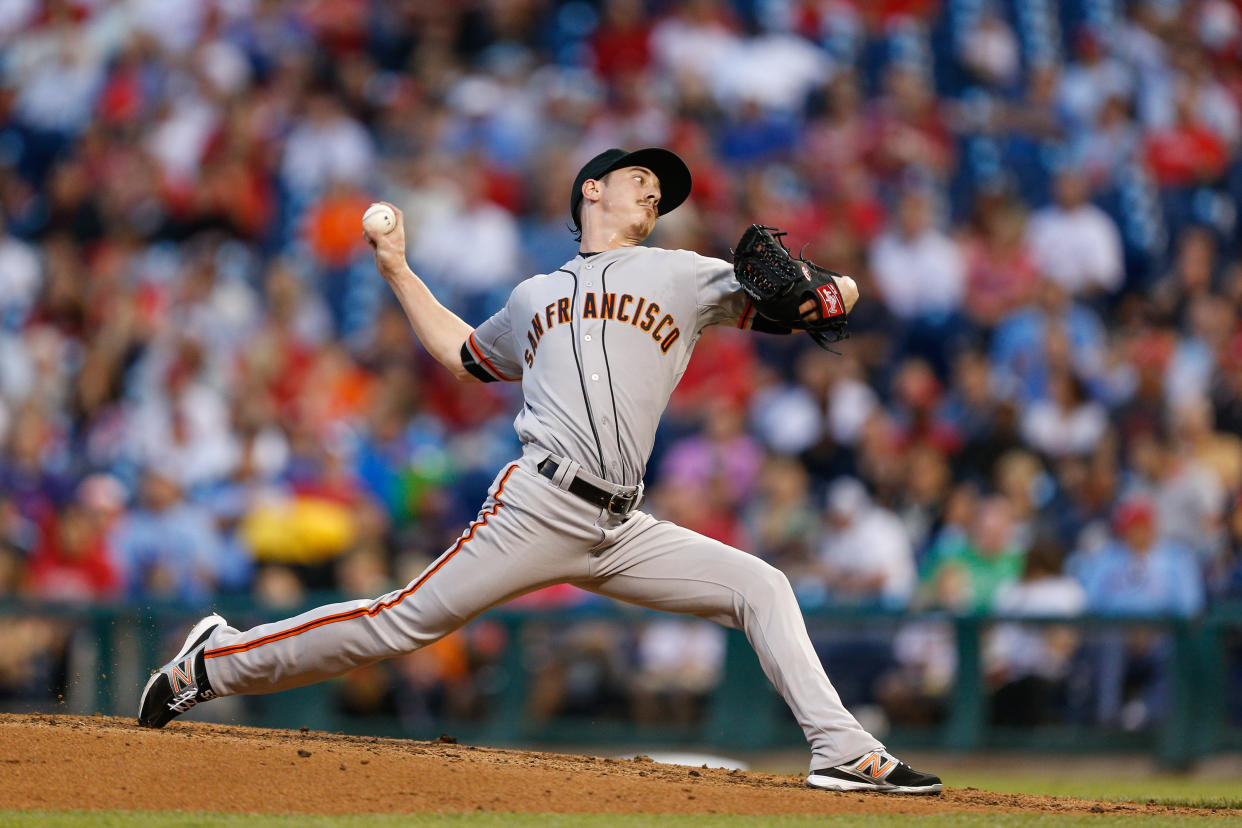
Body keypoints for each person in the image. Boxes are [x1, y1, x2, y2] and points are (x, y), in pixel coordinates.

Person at [137, 147, 942, 795]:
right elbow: (464, 357)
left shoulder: (683, 274)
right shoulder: (532, 296)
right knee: (401, 621)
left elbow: (815, 298)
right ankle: (211, 663)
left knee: (761, 586)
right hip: (537, 507)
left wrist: (831, 291)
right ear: (593, 189)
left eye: (662, 192)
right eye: (641, 181)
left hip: (623, 524)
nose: (654, 195)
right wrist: (396, 271)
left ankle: (841, 751)